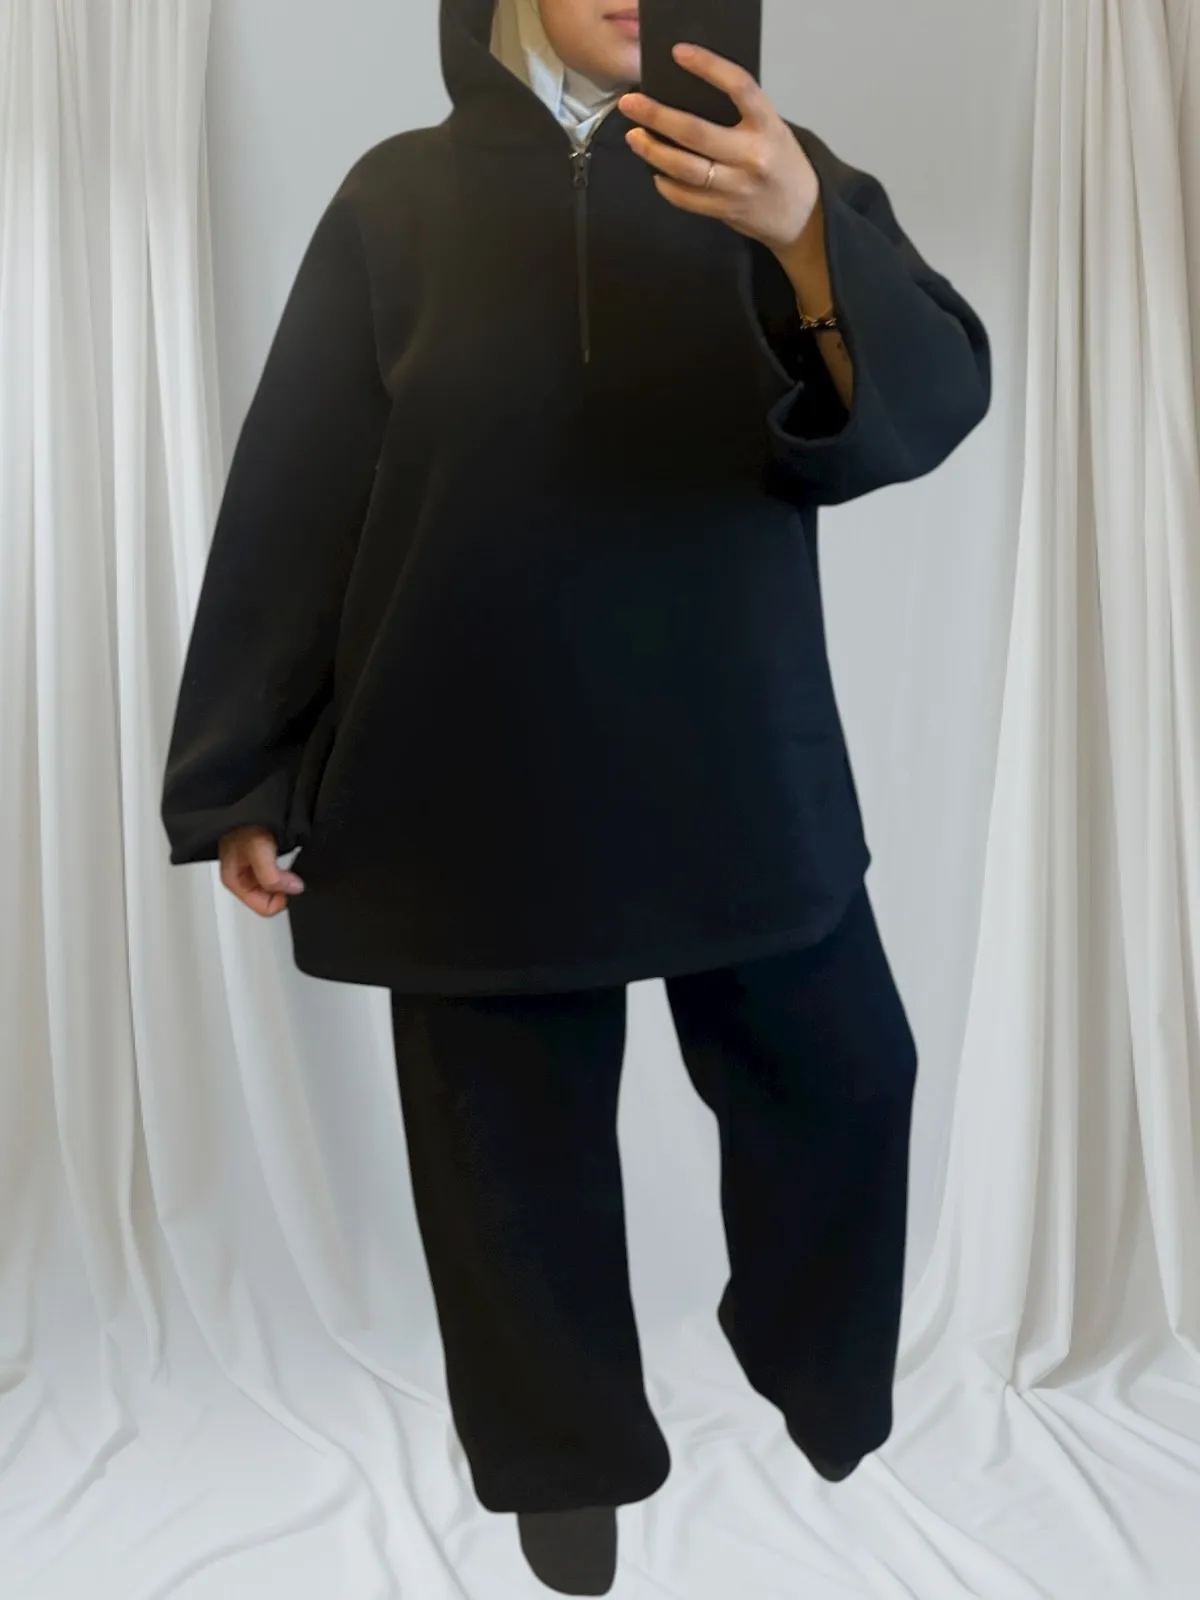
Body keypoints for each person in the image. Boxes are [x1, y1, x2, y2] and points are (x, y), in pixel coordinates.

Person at [162, 0, 991, 1591]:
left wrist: (803, 234)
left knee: (848, 1075)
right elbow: (303, 486)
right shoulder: (395, 201)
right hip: (467, 761)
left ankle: (809, 1362)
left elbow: (933, 400)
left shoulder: (776, 173)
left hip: (734, 744)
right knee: (506, 1161)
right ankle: (563, 1461)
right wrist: (241, 768)